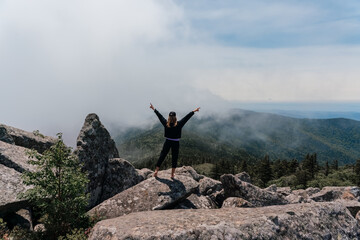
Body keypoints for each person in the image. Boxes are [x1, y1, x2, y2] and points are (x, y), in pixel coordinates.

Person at [150, 103, 200, 179]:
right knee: (174, 157)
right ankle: (172, 174)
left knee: (162, 155)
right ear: (175, 117)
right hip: (175, 142)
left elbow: (160, 116)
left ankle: (156, 171)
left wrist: (154, 109)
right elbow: (187, 117)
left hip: (167, 141)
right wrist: (194, 111)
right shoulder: (179, 124)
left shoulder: (166, 124)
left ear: (169, 117)